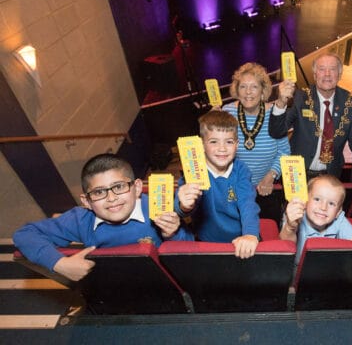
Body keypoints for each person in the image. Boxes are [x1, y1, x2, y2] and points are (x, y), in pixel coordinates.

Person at [12, 154, 184, 281]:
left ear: (137, 187)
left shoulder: (160, 206)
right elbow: (25, 234)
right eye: (99, 192)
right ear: (86, 201)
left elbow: (187, 253)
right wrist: (59, 263)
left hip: (162, 278)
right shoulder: (81, 220)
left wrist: (173, 233)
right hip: (109, 282)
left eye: (119, 187)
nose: (111, 198)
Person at [269, 52, 352, 195]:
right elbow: (277, 132)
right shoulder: (300, 98)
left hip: (330, 175)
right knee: (293, 215)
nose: (327, 74)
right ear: (314, 75)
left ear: (339, 74)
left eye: (332, 69)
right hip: (296, 172)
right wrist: (281, 101)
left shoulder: (349, 102)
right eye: (321, 69)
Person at [175, 110, 261, 259]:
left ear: (237, 144)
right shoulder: (193, 172)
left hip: (241, 238)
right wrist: (184, 205)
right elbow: (182, 208)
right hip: (207, 242)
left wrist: (250, 234)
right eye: (214, 141)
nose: (222, 148)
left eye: (229, 141)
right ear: (202, 145)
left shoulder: (241, 170)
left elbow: (248, 203)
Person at [222, 62, 290, 221]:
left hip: (266, 188)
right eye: (243, 86)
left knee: (266, 234)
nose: (248, 92)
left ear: (263, 90)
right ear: (236, 90)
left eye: (254, 87)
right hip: (235, 187)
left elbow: (284, 152)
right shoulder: (227, 111)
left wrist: (271, 175)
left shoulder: (276, 113)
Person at [279, 174, 352, 263]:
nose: (323, 207)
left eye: (331, 203)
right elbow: (285, 246)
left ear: (338, 212)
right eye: (317, 199)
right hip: (297, 274)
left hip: (328, 272)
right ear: (305, 201)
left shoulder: (339, 220)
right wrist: (290, 227)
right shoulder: (296, 216)